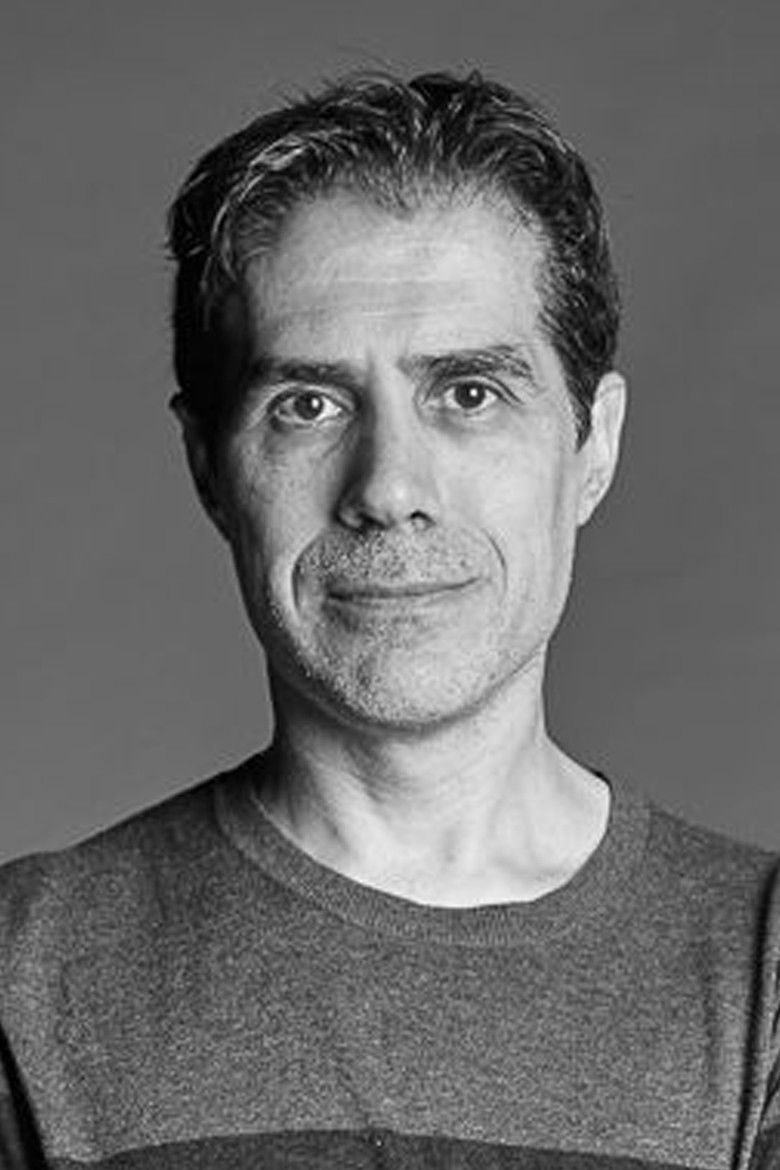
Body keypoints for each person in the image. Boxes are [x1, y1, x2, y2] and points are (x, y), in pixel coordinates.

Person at [0, 70, 777, 1170]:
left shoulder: (764, 972)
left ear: (592, 446)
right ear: (208, 467)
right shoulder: (24, 975)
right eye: (309, 405)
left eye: (469, 393)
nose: (389, 487)